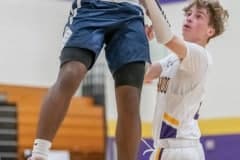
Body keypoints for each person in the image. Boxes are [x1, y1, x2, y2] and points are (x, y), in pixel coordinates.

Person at [28, 0, 151, 160]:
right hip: (91, 8)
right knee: (71, 73)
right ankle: (39, 154)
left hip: (131, 13)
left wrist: (152, 16)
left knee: (130, 97)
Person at [143, 0, 229, 159]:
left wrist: (149, 4)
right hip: (164, 149)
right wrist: (142, 42)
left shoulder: (200, 56)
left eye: (198, 16)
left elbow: (166, 37)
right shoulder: (173, 59)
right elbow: (145, 74)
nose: (189, 18)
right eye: (188, 14)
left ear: (210, 31)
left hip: (181, 150)